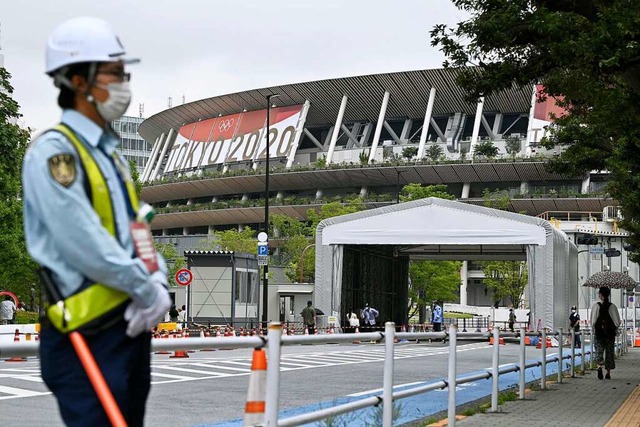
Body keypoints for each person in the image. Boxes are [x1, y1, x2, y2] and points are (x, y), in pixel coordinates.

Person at [22, 17, 171, 426]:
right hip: (85, 334)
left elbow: (137, 228)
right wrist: (146, 289)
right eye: (114, 73)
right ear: (78, 80)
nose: (124, 83)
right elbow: (84, 242)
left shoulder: (112, 156)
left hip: (128, 328)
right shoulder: (54, 154)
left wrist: (157, 280)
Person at [591, 287, 621, 380]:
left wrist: (594, 330)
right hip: (610, 335)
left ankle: (599, 367)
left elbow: (593, 321)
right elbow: (617, 322)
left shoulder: (596, 306)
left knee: (599, 352)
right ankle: (608, 373)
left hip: (599, 334)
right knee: (609, 353)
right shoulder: (612, 306)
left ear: (601, 295)